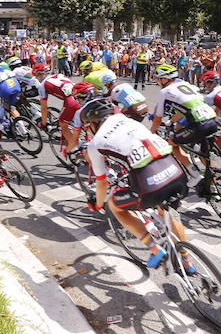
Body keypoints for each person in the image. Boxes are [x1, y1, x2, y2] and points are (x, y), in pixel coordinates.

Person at [81, 98, 193, 271]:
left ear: (93, 123)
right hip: (176, 173)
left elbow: (101, 182)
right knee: (169, 212)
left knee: (115, 206)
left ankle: (155, 249)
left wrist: (97, 204)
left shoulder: (95, 143)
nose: (88, 129)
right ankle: (187, 261)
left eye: (87, 126)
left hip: (150, 185)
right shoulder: (128, 120)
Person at [150, 64, 219, 181]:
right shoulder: (185, 84)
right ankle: (213, 185)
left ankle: (196, 176)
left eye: (158, 79)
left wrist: (151, 133)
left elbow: (157, 118)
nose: (157, 81)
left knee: (172, 144)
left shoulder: (165, 92)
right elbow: (184, 109)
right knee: (204, 154)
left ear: (164, 79)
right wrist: (171, 121)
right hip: (212, 120)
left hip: (198, 124)